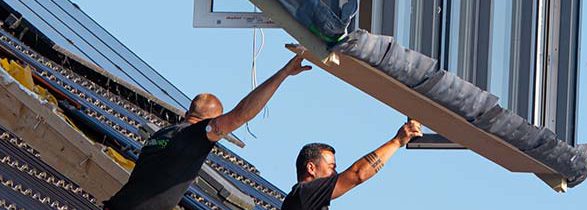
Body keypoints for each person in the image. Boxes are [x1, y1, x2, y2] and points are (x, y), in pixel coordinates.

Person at [103, 53, 314, 210]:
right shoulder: (193, 136)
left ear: (188, 112)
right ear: (210, 121)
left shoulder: (162, 134)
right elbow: (241, 114)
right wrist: (284, 73)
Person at [282, 120, 424, 210]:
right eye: (331, 167)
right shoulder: (303, 193)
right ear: (311, 168)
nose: (335, 174)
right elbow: (358, 174)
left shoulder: (307, 201)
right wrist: (397, 142)